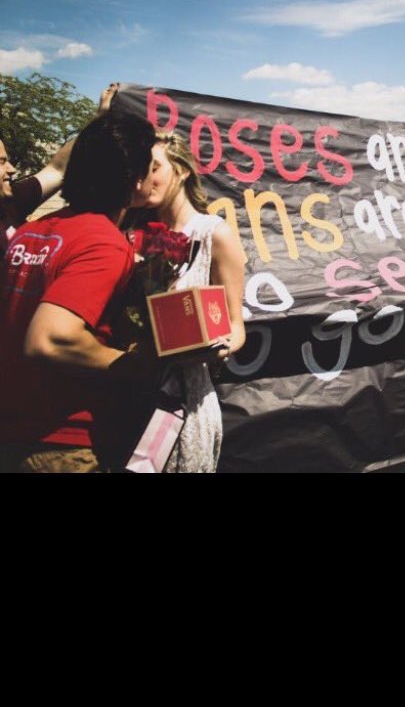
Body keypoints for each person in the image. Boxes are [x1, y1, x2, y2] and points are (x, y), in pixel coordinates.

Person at [0, 113, 157, 473]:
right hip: (59, 443)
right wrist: (137, 366)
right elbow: (51, 339)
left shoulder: (32, 231)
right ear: (134, 179)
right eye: (150, 166)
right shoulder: (102, 243)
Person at [130, 132, 246, 473]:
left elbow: (236, 326)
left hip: (184, 405)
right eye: (138, 170)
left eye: (154, 168)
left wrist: (219, 347)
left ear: (181, 170)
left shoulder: (214, 233)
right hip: (127, 395)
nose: (144, 179)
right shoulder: (130, 235)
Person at [0, 83, 119, 259]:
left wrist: (100, 117)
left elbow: (58, 169)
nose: (12, 169)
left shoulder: (10, 201)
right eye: (2, 162)